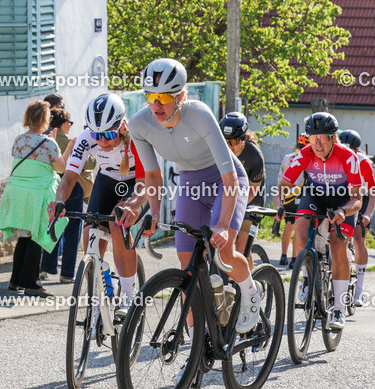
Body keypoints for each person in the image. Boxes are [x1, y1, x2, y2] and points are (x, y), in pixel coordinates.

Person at [118, 58, 261, 333]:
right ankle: (197, 342)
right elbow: (153, 176)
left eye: (164, 97)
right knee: (187, 268)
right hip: (191, 184)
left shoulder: (199, 115)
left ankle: (249, 290)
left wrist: (222, 225)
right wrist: (155, 214)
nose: (156, 105)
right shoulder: (139, 124)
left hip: (226, 180)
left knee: (223, 252)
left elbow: (230, 177)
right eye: (150, 97)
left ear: (181, 96)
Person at [50, 93, 144, 316]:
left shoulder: (136, 139)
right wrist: (59, 201)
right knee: (89, 232)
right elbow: (69, 178)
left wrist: (132, 205)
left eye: (109, 134)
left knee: (117, 225)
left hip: (134, 185)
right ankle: (102, 282)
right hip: (107, 181)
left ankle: (130, 297)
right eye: (97, 135)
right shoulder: (86, 138)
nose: (102, 141)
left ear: (121, 126)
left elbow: (144, 184)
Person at [275, 112, 363, 330]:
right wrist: (279, 206)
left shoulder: (348, 157)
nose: (317, 143)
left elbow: (357, 199)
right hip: (315, 196)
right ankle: (307, 276)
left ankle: (339, 309)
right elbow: (284, 186)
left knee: (338, 246)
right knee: (300, 230)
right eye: (313, 137)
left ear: (333, 137)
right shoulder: (304, 154)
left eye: (322, 137)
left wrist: (343, 211)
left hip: (343, 200)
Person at [0, 100, 64, 297]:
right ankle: (32, 284)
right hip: (38, 194)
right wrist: (62, 147)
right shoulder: (49, 144)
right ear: (45, 119)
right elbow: (61, 168)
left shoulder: (18, 140)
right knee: (36, 237)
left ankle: (15, 280)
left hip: (18, 193)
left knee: (24, 237)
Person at [39, 98, 85, 283]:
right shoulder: (70, 141)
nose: (71, 125)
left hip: (51, 186)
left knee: (52, 225)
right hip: (72, 186)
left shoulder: (43, 139)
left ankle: (46, 266)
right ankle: (67, 274)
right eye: (70, 122)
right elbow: (89, 162)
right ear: (65, 124)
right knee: (73, 229)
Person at [220, 112, 266, 270]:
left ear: (242, 139)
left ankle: (248, 282)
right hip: (230, 194)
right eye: (224, 141)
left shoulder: (254, 155)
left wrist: (234, 207)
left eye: (233, 141)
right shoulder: (219, 151)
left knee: (241, 245)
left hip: (252, 198)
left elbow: (253, 190)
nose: (229, 146)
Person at [339, 129, 375, 303]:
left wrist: (368, 214)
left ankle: (359, 288)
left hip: (361, 197)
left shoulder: (363, 162)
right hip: (341, 196)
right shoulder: (335, 157)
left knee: (358, 238)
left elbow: (373, 192)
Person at [277, 135, 308, 267]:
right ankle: (294, 259)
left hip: (286, 195)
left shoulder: (287, 157)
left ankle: (283, 256)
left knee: (288, 227)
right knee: (298, 228)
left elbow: (280, 177)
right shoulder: (306, 157)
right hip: (300, 195)